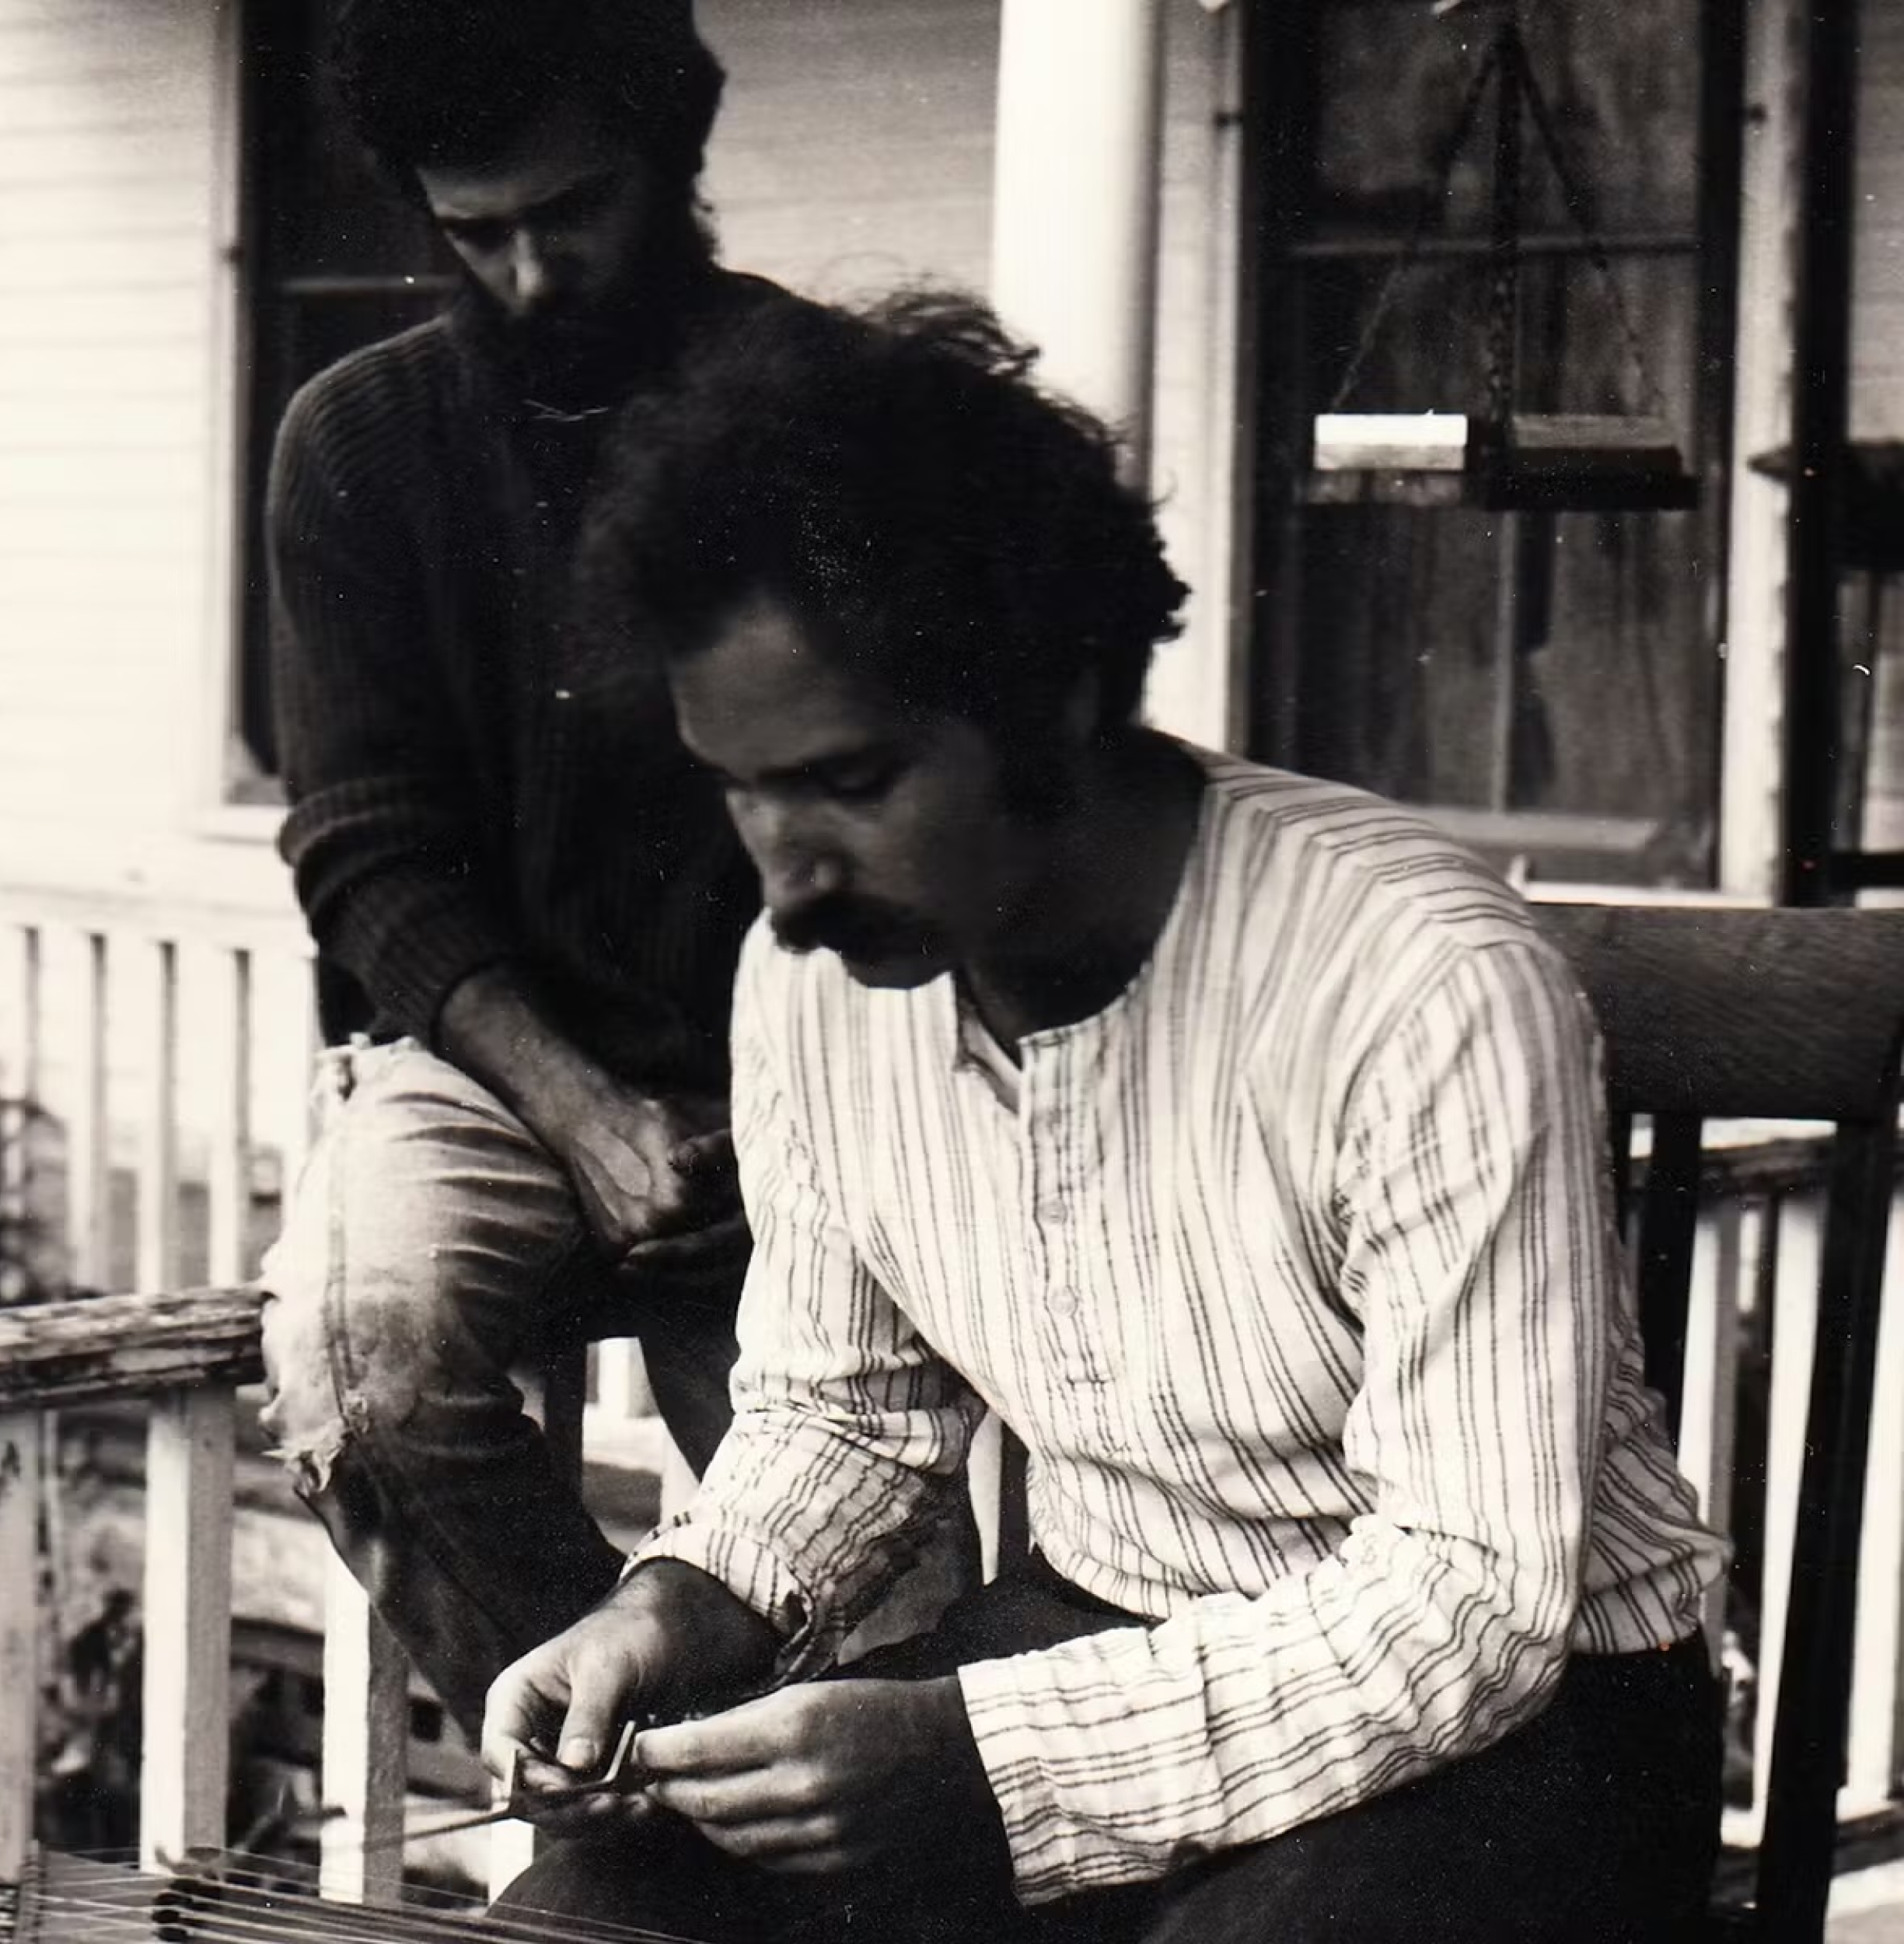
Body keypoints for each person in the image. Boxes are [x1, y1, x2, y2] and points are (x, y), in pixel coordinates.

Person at [480, 293, 1730, 1944]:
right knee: (584, 1914)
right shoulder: (813, 974)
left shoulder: (1419, 982)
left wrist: (984, 1758)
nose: (783, 883)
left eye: (851, 781)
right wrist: (682, 1603)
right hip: (1093, 1631)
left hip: (1531, 1724)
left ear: (1056, 695)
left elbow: (1471, 1601)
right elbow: (847, 1411)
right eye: (740, 786)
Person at [257, 0, 782, 1741]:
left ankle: (820, 1794)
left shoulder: (824, 409)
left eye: (574, 210)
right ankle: (639, 1777)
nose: (532, 275)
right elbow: (367, 848)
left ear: (671, 153)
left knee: (854, 1509)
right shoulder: (357, 440)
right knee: (358, 1360)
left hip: (800, 1065)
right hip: (483, 1061)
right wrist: (586, 1113)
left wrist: (783, 1109)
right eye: (474, 230)